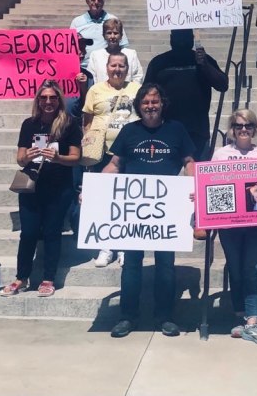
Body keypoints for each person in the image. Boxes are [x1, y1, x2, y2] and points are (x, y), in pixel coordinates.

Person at [102, 83, 196, 338]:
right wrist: (93, 189)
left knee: (165, 265)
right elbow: (115, 164)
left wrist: (194, 187)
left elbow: (189, 162)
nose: (150, 106)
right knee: (132, 264)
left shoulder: (176, 129)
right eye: (145, 102)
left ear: (162, 104)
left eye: (155, 101)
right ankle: (127, 316)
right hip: (134, 210)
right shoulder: (129, 131)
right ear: (139, 106)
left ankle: (164, 317)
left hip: (167, 209)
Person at [209, 109, 257, 345]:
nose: (243, 129)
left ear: (254, 129)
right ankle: (240, 317)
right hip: (229, 224)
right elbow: (210, 185)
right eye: (239, 125)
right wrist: (199, 196)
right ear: (232, 129)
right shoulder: (221, 154)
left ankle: (252, 322)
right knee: (235, 268)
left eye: (248, 125)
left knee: (251, 269)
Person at [1, 80, 82, 298]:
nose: (48, 102)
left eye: (53, 98)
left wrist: (58, 157)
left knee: (52, 232)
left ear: (59, 100)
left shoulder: (69, 124)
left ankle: (48, 278)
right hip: (32, 185)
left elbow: (76, 157)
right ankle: (21, 277)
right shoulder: (29, 124)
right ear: (38, 100)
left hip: (59, 187)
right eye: (44, 98)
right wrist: (26, 156)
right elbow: (19, 158)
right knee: (28, 232)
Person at [82, 51, 141, 267]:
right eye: (113, 65)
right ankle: (106, 247)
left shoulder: (136, 89)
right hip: (103, 154)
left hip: (130, 154)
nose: (117, 69)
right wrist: (89, 143)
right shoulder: (95, 90)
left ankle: (124, 247)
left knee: (127, 202)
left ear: (127, 68)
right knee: (104, 201)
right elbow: (87, 120)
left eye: (121, 66)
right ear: (106, 67)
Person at [143, 29, 229, 160]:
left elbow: (222, 85)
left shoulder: (204, 60)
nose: (182, 40)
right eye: (178, 36)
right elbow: (145, 95)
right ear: (171, 38)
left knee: (197, 172)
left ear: (192, 38)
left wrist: (205, 65)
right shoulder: (158, 63)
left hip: (197, 131)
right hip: (165, 130)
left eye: (185, 36)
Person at [69, 0, 128, 67]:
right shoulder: (77, 22)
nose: (96, 2)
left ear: (104, 1)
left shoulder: (113, 20)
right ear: (87, 0)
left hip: (107, 67)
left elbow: (123, 46)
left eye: (99, 0)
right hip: (84, 67)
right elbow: (70, 48)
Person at [89, 17, 144, 85]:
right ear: (104, 35)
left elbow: (137, 76)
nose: (112, 36)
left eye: (115, 33)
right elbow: (92, 78)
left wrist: (131, 90)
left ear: (121, 36)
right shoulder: (96, 55)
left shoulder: (131, 54)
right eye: (109, 33)